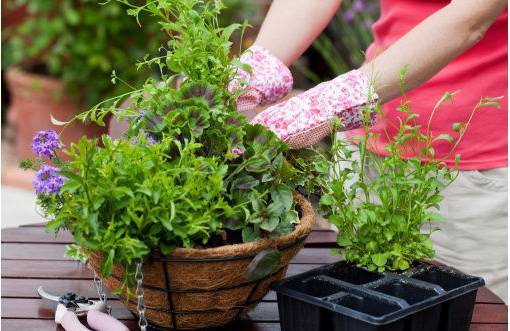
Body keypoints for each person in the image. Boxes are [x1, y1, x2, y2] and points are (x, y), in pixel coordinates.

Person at [234, 0, 508, 302]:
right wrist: (255, 70)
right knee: (358, 307)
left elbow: (471, 18)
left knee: (474, 313)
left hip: (469, 174)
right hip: (366, 151)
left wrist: (333, 101)